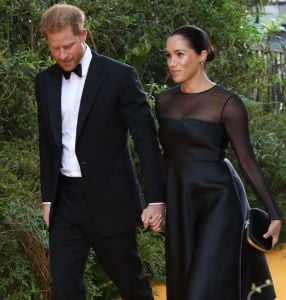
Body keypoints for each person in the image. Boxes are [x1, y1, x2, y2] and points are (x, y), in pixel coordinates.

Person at [35, 4, 165, 300]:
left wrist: (157, 199)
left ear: (83, 34)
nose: (63, 54)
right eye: (54, 48)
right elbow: (47, 143)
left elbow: (146, 140)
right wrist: (47, 198)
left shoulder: (120, 76)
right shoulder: (44, 81)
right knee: (65, 289)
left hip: (111, 198)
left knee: (131, 285)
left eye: (68, 45)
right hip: (65, 198)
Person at [154, 25, 282, 300]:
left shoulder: (227, 103)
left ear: (202, 55)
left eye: (179, 54)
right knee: (184, 284)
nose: (172, 63)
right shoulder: (163, 101)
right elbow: (165, 157)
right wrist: (157, 201)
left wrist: (274, 214)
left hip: (220, 203)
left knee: (203, 290)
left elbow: (247, 160)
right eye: (168, 56)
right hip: (181, 202)